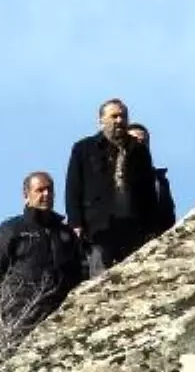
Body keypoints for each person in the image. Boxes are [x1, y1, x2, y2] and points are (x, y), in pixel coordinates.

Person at [65, 98, 160, 278]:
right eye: (114, 116)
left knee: (134, 277)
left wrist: (151, 226)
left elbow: (148, 192)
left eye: (123, 117)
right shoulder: (84, 149)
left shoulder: (139, 150)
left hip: (134, 227)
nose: (119, 121)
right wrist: (75, 223)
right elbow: (73, 187)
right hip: (99, 228)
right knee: (100, 279)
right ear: (101, 120)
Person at [0, 171, 83, 335]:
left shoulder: (65, 233)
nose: (46, 194)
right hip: (23, 316)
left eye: (50, 190)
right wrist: (9, 304)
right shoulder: (11, 229)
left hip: (62, 315)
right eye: (40, 190)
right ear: (26, 195)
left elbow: (80, 270)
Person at [126, 123, 177, 237]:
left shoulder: (159, 180)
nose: (140, 145)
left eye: (144, 142)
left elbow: (168, 216)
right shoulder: (106, 176)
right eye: (135, 141)